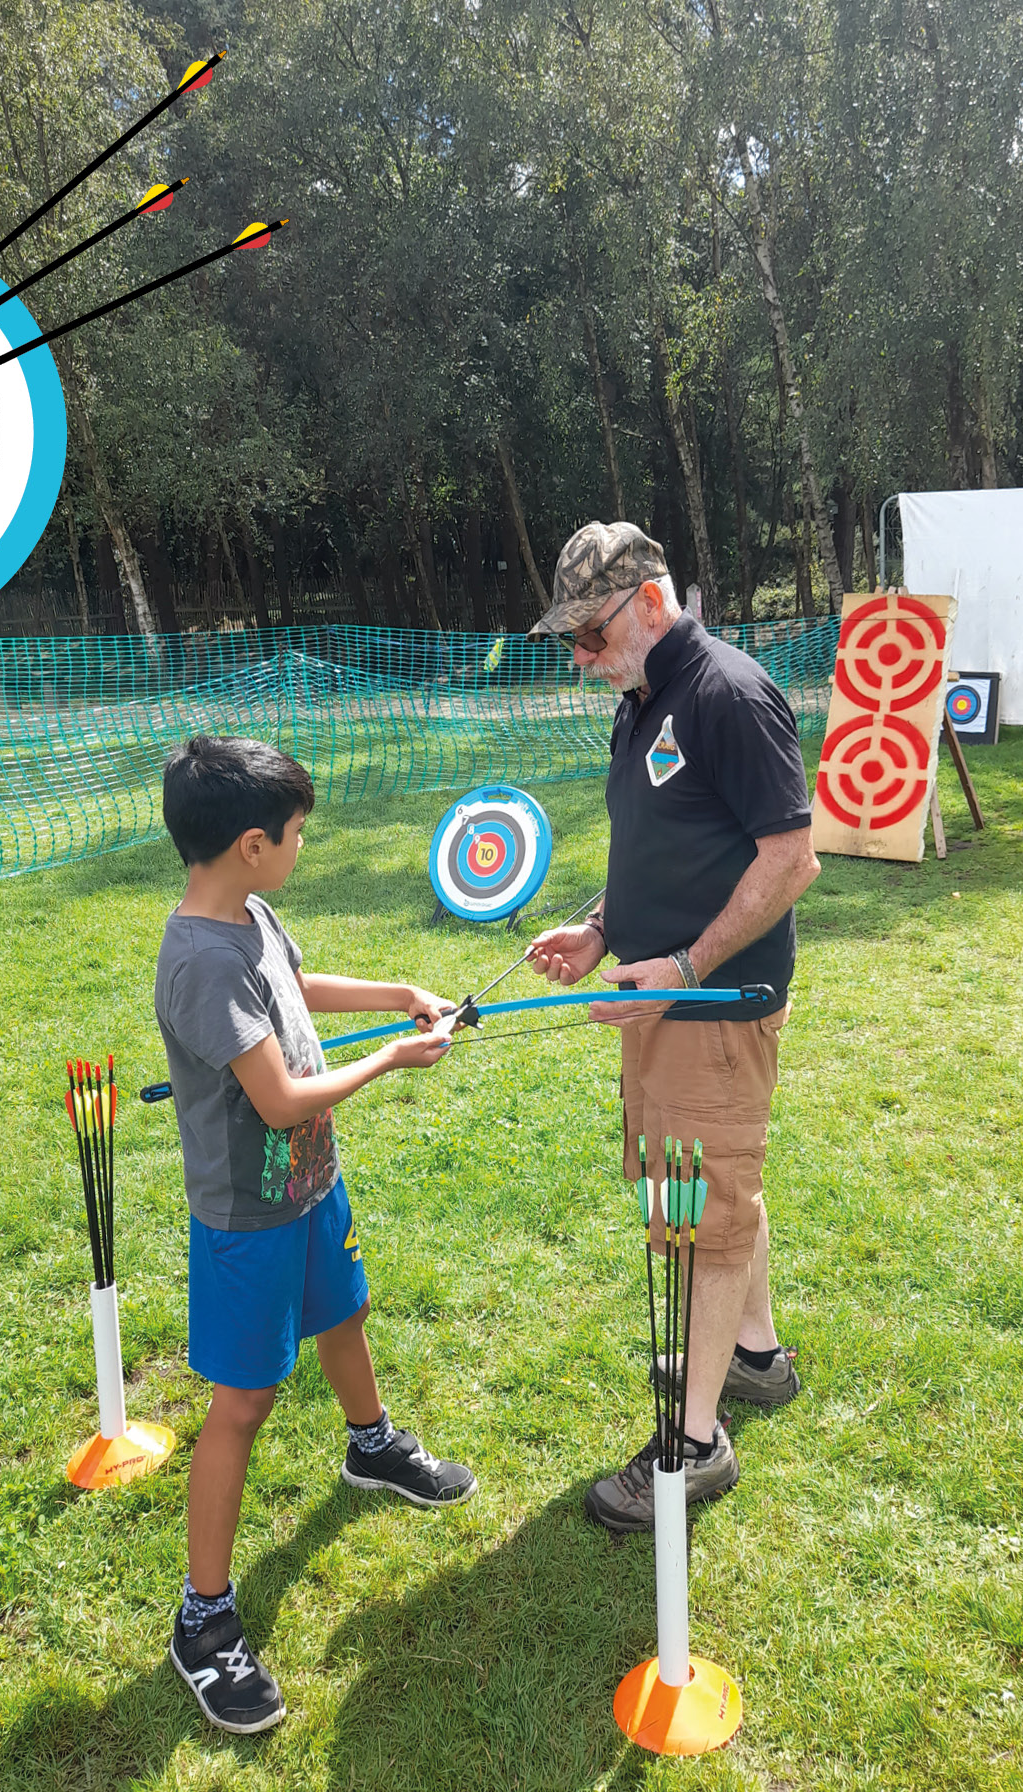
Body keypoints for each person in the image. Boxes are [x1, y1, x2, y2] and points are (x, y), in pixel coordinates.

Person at [154, 734, 477, 1735]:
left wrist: (397, 993)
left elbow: (294, 984)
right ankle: (203, 1620)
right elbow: (286, 1099)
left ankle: (370, 1443)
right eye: (297, 836)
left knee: (345, 1310)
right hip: (249, 1219)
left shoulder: (248, 912)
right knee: (243, 1404)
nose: (302, 848)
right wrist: (393, 1057)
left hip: (309, 1192)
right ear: (252, 842)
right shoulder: (199, 961)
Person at [523, 522, 820, 1533]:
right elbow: (659, 840)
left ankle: (694, 1444)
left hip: (710, 1004)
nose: (581, 658)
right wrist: (602, 929)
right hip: (660, 997)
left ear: (651, 601)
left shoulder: (728, 694)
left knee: (702, 1213)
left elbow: (792, 859)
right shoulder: (643, 696)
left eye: (592, 633)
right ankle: (753, 1356)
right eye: (570, 640)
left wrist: (687, 968)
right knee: (715, 1184)